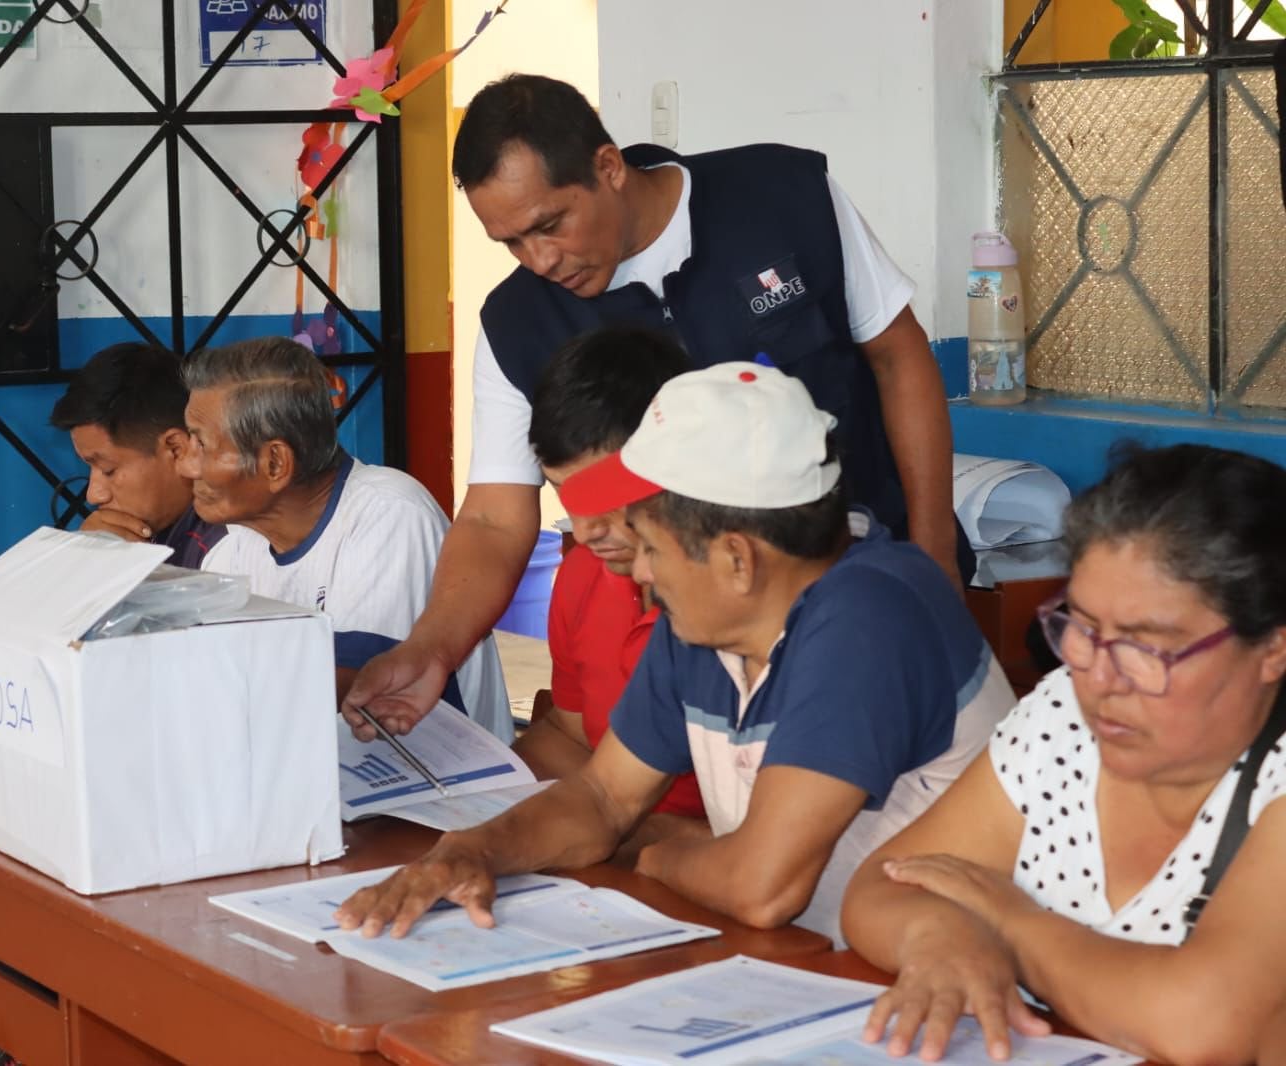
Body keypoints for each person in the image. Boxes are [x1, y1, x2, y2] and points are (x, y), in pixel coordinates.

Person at [344, 72, 967, 743]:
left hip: (866, 586)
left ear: (608, 167)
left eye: (550, 225)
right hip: (693, 637)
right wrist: (432, 649)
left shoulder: (784, 197)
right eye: (513, 243)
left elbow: (899, 359)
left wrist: (934, 555)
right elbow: (495, 519)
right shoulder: (516, 323)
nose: (541, 259)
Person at [335, 363, 1011, 943]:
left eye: (652, 551)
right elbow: (602, 800)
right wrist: (472, 850)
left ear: (737, 559)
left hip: (963, 982)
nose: (640, 575)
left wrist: (658, 858)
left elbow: (760, 887)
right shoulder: (709, 622)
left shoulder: (869, 614)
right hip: (818, 967)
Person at [840, 444, 1286, 1064]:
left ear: (1272, 648)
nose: (1101, 678)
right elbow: (881, 884)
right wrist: (939, 933)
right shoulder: (1064, 716)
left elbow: (1197, 1024)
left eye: (1148, 647)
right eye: (1082, 628)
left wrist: (1008, 921)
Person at [177, 337, 513, 743]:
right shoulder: (231, 553)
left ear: (275, 463)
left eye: (201, 443)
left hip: (439, 796)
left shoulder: (389, 513)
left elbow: (347, 693)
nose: (186, 464)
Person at [516, 325, 705, 835]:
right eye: (562, 493)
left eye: (604, 493)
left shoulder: (732, 602)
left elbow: (763, 854)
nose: (584, 530)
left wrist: (617, 838)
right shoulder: (584, 575)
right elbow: (573, 736)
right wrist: (473, 800)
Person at [50, 342, 224, 569]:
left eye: (109, 470)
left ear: (177, 450)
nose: (94, 495)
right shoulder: (156, 530)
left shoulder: (225, 551)